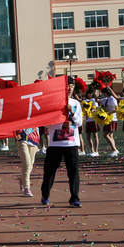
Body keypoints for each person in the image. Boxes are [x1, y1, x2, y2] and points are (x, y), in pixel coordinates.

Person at [41, 76, 83, 208]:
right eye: (67, 86)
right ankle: (45, 195)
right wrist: (58, 121)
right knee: (50, 172)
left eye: (72, 86)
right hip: (55, 144)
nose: (70, 88)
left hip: (71, 144)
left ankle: (74, 198)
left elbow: (79, 123)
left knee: (73, 172)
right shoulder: (52, 103)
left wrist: (72, 112)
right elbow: (46, 124)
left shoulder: (75, 103)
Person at [15, 126, 40, 197]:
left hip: (34, 140)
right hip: (22, 139)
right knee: (27, 164)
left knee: (30, 166)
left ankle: (22, 179)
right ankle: (27, 188)